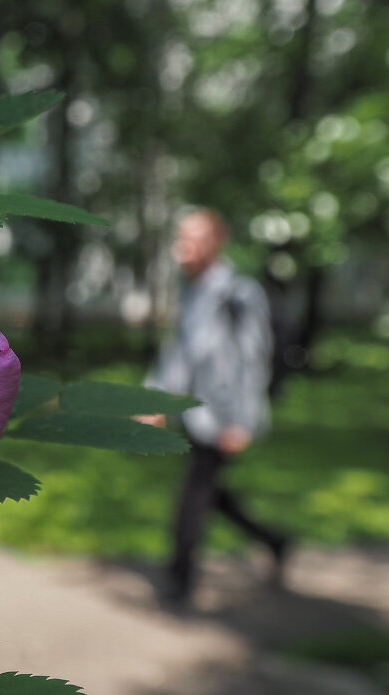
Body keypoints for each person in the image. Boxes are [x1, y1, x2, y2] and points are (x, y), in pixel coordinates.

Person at [137, 208, 289, 605]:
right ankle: (275, 540)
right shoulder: (191, 289)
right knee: (212, 494)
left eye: (190, 239)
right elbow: (178, 354)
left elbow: (255, 360)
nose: (180, 247)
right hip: (194, 413)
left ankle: (178, 581)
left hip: (224, 417)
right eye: (179, 237)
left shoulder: (239, 293)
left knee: (194, 494)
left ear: (215, 243)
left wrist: (241, 422)